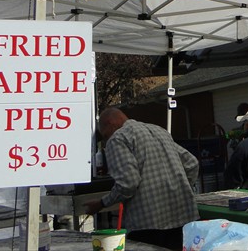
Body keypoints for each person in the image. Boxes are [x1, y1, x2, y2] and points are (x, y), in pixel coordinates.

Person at [83, 107, 199, 251]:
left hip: (147, 224)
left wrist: (102, 203)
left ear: (110, 123)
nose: (106, 139)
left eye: (105, 135)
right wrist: (181, 186)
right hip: (183, 217)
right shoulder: (159, 131)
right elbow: (191, 163)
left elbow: (128, 183)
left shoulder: (118, 138)